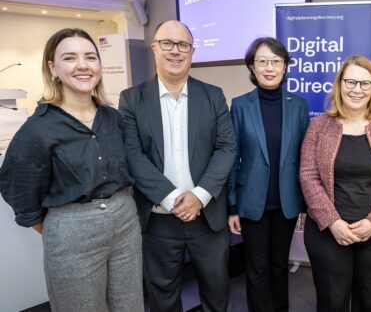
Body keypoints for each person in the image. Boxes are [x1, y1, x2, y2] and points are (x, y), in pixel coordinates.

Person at [0, 28, 143, 311]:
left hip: (125, 223)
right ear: (53, 67)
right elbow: (19, 190)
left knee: (130, 304)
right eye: (70, 57)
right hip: (70, 231)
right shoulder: (38, 128)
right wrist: (63, 227)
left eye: (90, 57)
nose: (83, 65)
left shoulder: (112, 117)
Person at [119, 20, 236, 312]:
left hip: (207, 218)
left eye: (183, 45)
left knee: (217, 293)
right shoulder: (132, 99)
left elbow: (226, 148)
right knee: (163, 297)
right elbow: (132, 155)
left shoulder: (213, 95)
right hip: (158, 221)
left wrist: (199, 195)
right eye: (167, 44)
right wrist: (173, 199)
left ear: (192, 51)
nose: (175, 51)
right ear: (154, 47)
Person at [300, 55, 371, 312]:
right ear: (339, 84)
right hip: (328, 234)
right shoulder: (318, 125)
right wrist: (332, 222)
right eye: (350, 82)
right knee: (331, 301)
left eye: (365, 84)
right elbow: (308, 175)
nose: (357, 90)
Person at [227, 37, 309, 311]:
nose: (269, 67)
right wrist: (232, 205)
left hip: (286, 202)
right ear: (252, 66)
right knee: (257, 268)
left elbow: (304, 158)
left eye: (276, 61)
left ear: (285, 66)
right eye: (262, 61)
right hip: (252, 204)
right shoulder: (240, 105)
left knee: (279, 266)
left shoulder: (298, 105)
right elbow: (232, 158)